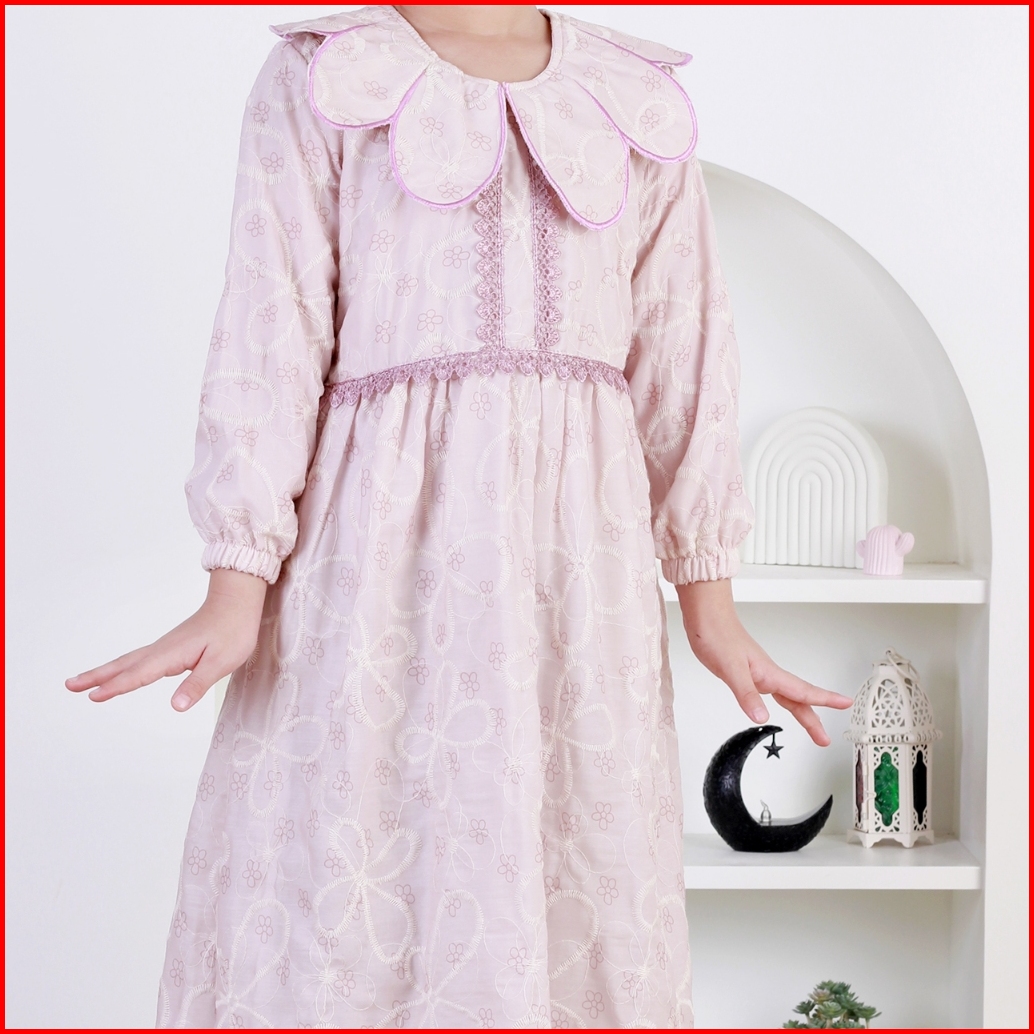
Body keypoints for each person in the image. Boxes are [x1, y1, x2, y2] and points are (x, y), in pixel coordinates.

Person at [66, 5, 852, 1027]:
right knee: (356, 867)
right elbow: (269, 329)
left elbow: (685, 348)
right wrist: (234, 581)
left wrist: (712, 605)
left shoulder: (634, 96)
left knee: (571, 862)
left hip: (577, 573)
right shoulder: (322, 76)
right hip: (374, 563)